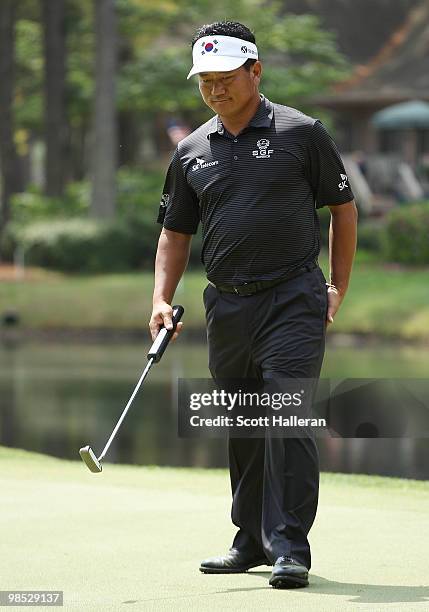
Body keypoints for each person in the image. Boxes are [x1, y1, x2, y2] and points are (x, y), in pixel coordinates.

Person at [150, 21, 357, 589]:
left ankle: (290, 546)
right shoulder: (192, 149)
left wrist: (336, 286)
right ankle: (250, 539)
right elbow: (174, 232)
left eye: (225, 79)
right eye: (205, 81)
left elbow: (342, 207)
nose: (215, 90)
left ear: (255, 71)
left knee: (287, 417)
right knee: (241, 421)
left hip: (293, 295)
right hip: (228, 304)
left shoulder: (301, 132)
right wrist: (161, 300)